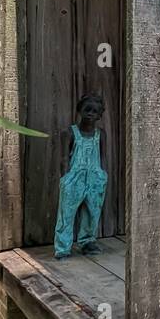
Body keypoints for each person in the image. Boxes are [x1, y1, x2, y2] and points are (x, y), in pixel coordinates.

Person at [53, 93, 107, 259]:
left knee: (92, 212)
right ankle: (62, 248)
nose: (90, 113)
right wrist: (65, 178)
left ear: (99, 115)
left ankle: (87, 241)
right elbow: (63, 158)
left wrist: (102, 174)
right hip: (74, 177)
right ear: (79, 110)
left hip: (95, 178)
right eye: (87, 109)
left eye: (95, 111)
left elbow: (103, 157)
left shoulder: (101, 134)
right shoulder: (70, 132)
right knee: (66, 214)